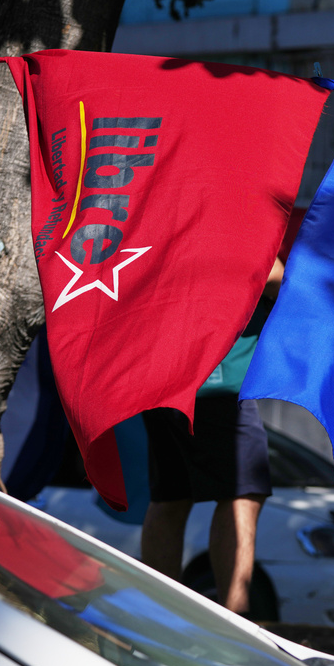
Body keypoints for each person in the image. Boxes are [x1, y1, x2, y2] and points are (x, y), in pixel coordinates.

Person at [140, 258, 283, 617]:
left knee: (171, 496)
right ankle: (236, 623)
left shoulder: (167, 204)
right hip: (213, 375)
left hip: (160, 367)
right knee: (242, 492)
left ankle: (158, 619)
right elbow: (270, 271)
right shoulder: (233, 202)